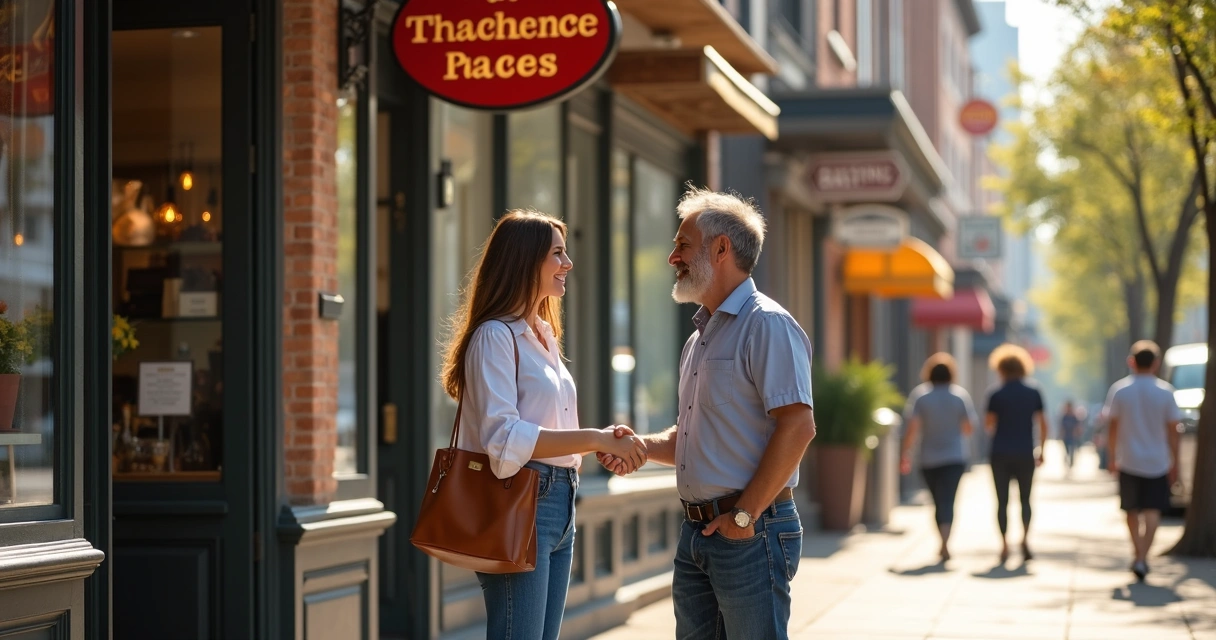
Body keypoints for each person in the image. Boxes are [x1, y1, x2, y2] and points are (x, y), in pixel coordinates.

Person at [599, 188, 816, 640]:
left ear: (721, 249)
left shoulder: (767, 324)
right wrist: (638, 447)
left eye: (683, 244)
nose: (672, 257)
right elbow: (692, 436)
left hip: (750, 530)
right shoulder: (699, 338)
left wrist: (744, 517)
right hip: (697, 533)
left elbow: (798, 425)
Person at [439, 209, 648, 640]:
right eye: (557, 253)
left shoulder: (542, 335)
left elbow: (547, 423)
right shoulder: (495, 336)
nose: (568, 263)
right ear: (525, 260)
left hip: (560, 500)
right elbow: (503, 440)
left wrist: (600, 443)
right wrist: (594, 439)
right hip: (522, 499)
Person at [1103, 340, 1182, 581]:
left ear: (1131, 362)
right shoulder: (1166, 392)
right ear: (1156, 363)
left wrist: (1111, 457)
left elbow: (1112, 427)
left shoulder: (1120, 390)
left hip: (1128, 460)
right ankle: (1143, 557)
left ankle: (1137, 552)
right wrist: (1176, 462)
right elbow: (1174, 431)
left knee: (1131, 510)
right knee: (1152, 511)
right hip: (1158, 461)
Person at [900, 353, 978, 563]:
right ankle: (945, 542)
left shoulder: (921, 396)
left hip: (929, 458)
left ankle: (942, 542)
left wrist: (905, 453)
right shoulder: (959, 396)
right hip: (955, 457)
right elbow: (969, 428)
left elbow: (912, 428)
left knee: (937, 501)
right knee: (949, 500)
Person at [984, 343, 1048, 564]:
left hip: (1000, 452)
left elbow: (989, 424)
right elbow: (1043, 423)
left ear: (1000, 368)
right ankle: (1025, 540)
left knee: (1001, 501)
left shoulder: (996, 394)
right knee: (1025, 499)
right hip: (1025, 452)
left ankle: (1004, 545)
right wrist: (1042, 449)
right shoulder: (1033, 391)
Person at [1060, 400, 1082, 471]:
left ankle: (1071, 463)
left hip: (1072, 436)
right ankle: (1066, 460)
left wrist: (1077, 433)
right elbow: (1062, 427)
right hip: (1066, 436)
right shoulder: (1064, 417)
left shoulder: (1074, 417)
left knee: (1072, 450)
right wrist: (1061, 435)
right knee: (1067, 450)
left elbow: (1077, 426)